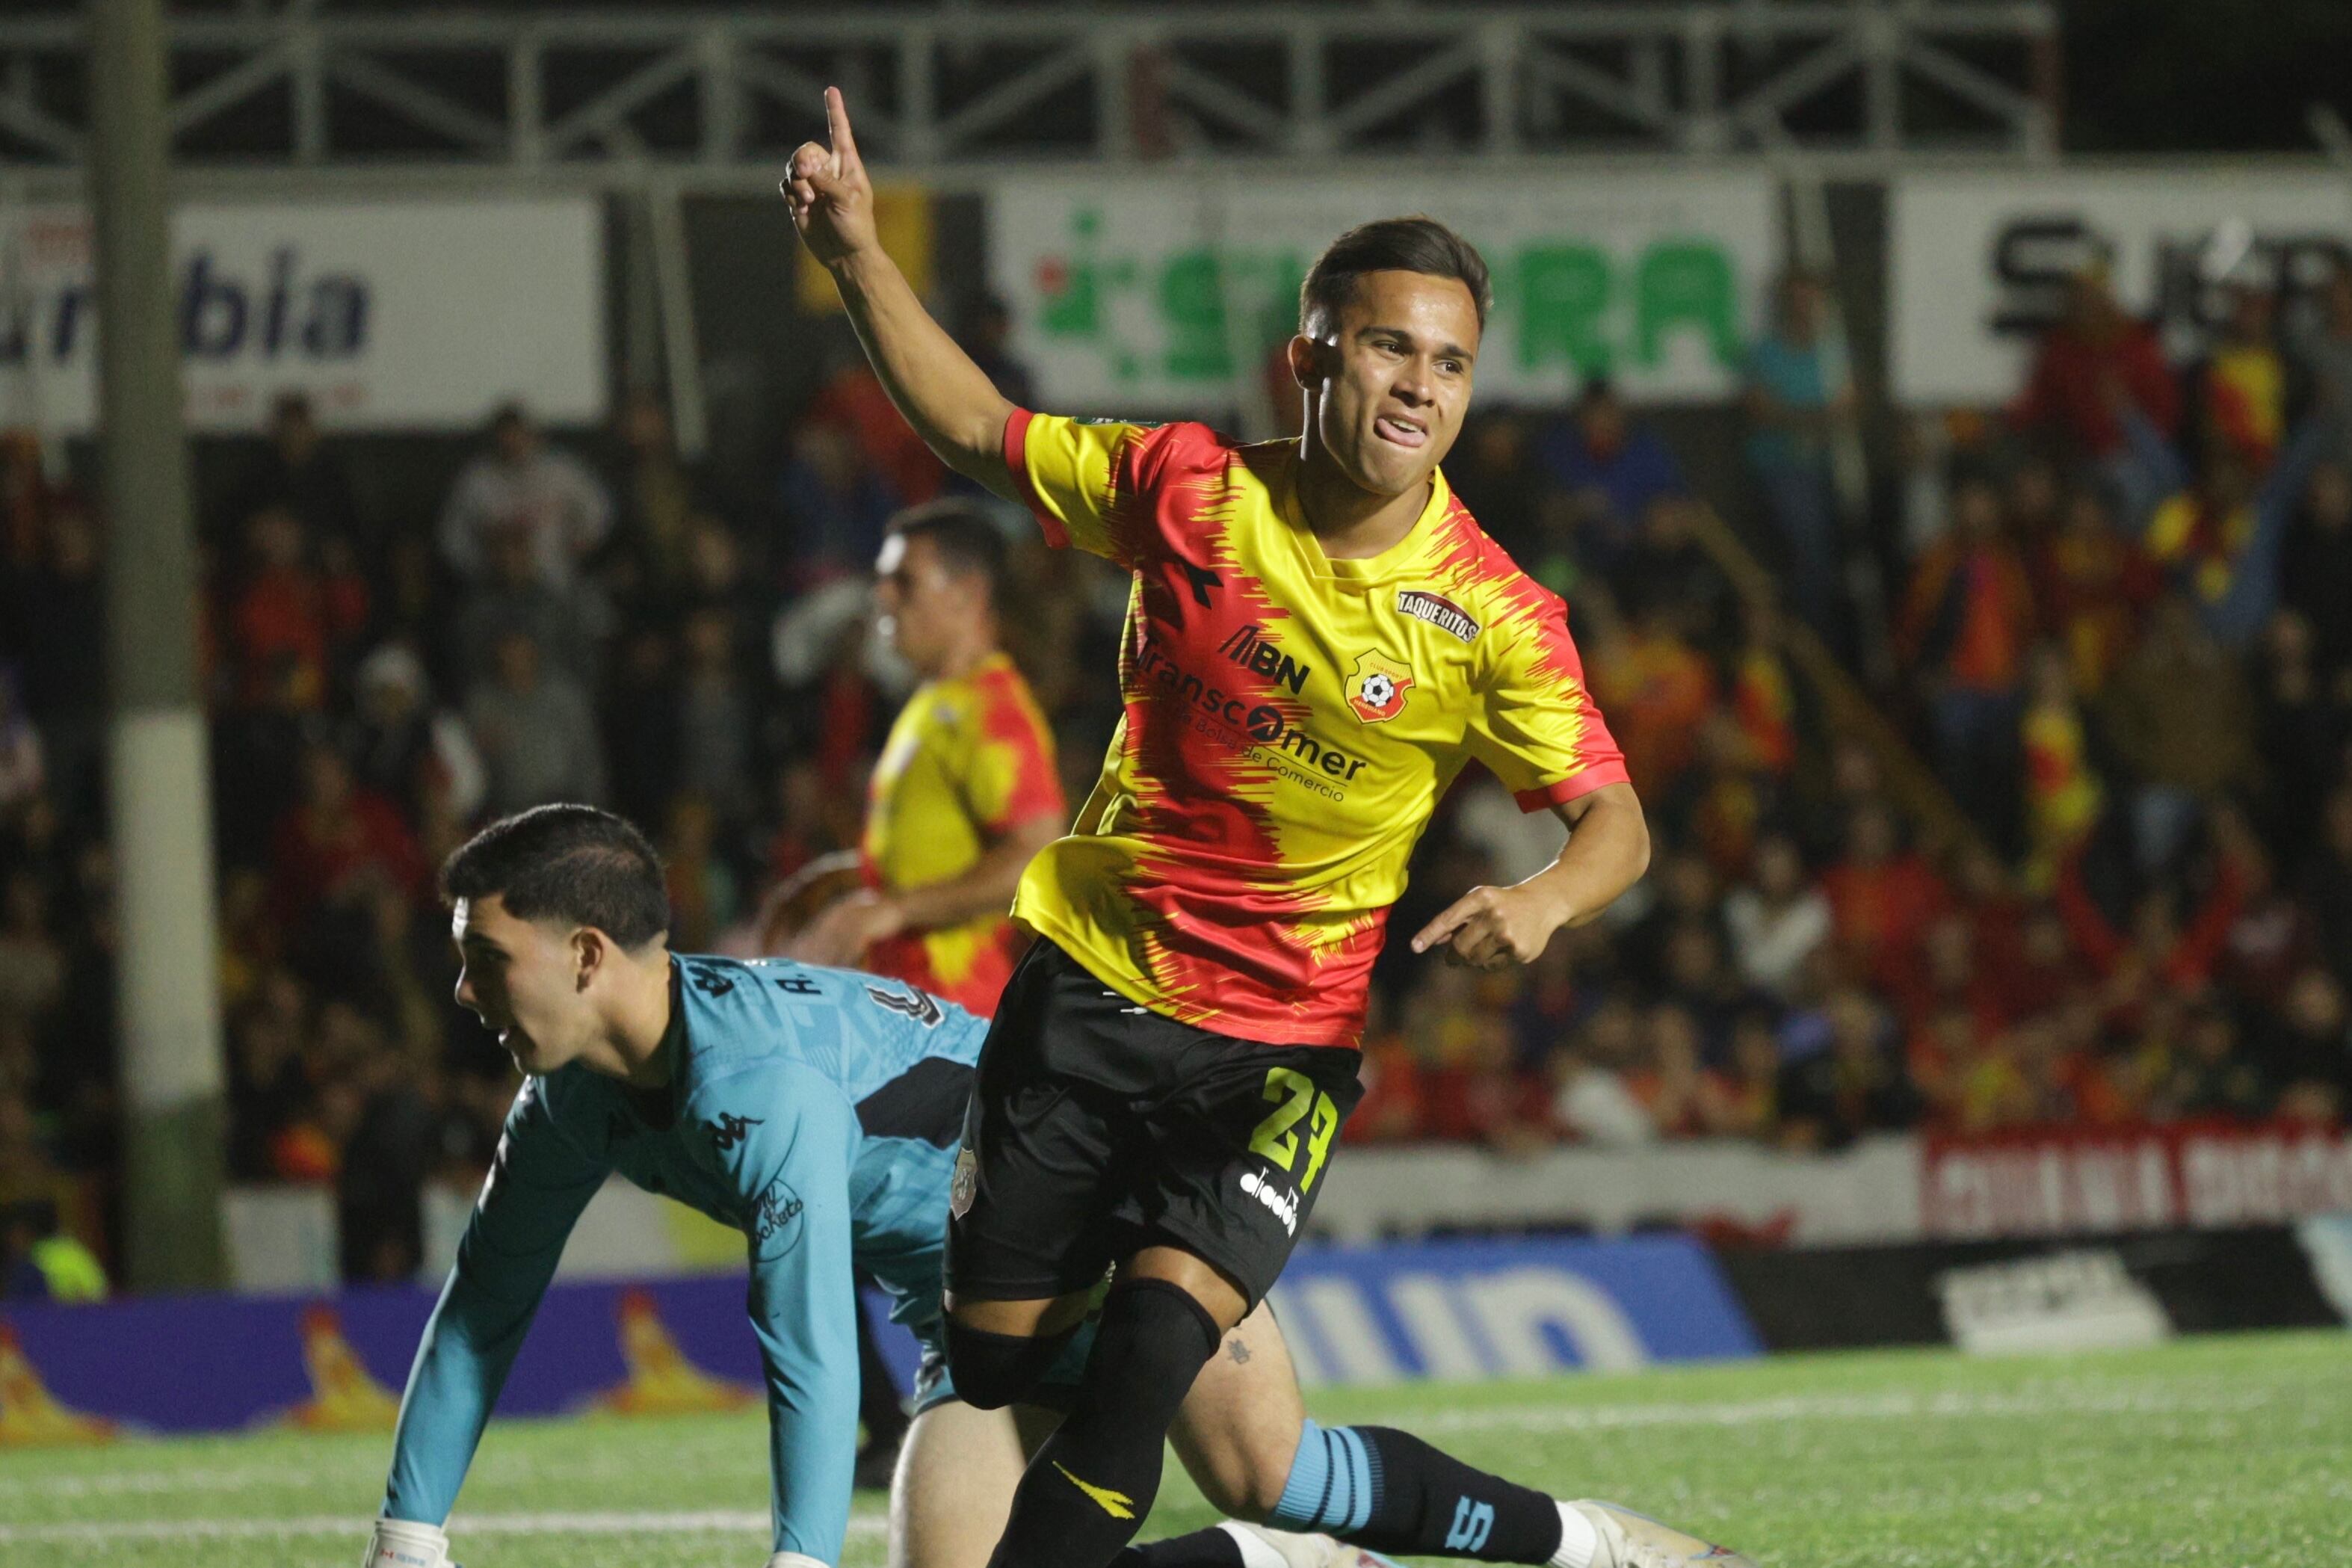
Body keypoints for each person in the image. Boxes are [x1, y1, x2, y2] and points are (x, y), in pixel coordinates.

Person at [786, 87, 1725, 1568]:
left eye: (1452, 363)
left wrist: (1547, 897)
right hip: (1085, 997)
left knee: (1142, 1364)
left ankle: (1237, 1360)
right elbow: (974, 426)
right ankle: (1287, 1543)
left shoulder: (1490, 615)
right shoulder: (1188, 492)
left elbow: (1615, 821)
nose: (1421, 386)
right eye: (1389, 346)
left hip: (1276, 1047)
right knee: (1009, 1359)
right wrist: (855, 254)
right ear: (1309, 358)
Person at [360, 806, 1742, 1568]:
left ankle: (1599, 1546)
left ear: (589, 952)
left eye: (487, 955)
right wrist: (407, 1532)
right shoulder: (567, 1102)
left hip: (1116, 1215)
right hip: (964, 1319)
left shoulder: (755, 1087)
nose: (468, 987)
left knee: (1277, 1469)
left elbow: (803, 1344)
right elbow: (485, 1305)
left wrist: (796, 1563)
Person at [772, 500, 1065, 1017]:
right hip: (910, 1008)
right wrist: (856, 875)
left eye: (903, 581)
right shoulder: (934, 699)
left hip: (954, 1017)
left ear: (969, 594)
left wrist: (894, 907)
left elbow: (1034, 856)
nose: (881, 596)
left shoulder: (992, 710)